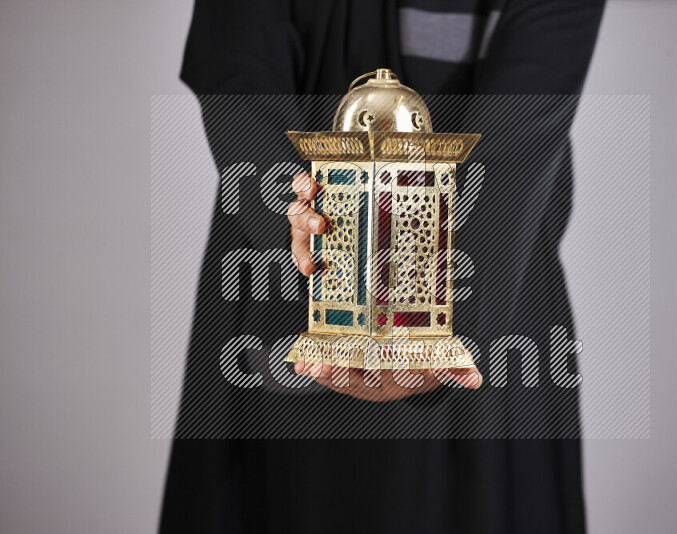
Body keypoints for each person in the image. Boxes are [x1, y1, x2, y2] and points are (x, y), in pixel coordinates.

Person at [160, 0, 605, 532]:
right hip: (291, 265)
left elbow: (534, 94)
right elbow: (236, 59)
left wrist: (451, 322)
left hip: (493, 264)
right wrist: (296, 219)